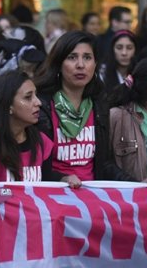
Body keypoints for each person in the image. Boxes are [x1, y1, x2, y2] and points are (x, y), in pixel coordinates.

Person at [34, 31, 138, 187]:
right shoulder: (41, 107)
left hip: (92, 199)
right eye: (72, 57)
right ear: (59, 64)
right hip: (52, 197)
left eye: (87, 58)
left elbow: (105, 164)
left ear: (95, 64)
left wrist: (138, 184)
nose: (81, 65)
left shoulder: (98, 105)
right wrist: (61, 179)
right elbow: (33, 167)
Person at [0, 71, 53, 181]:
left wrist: (64, 178)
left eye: (36, 95)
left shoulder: (42, 141)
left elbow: (47, 186)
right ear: (8, 105)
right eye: (28, 97)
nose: (38, 102)